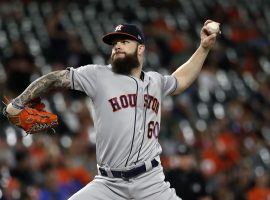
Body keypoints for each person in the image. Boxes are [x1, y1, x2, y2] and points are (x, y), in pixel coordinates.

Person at [5, 20, 219, 199]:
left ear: (141, 48)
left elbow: (180, 79)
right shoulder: (97, 75)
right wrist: (19, 102)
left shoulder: (155, 81)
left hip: (150, 181)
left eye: (125, 42)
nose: (117, 46)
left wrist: (204, 47)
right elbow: (55, 78)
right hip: (108, 183)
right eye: (114, 43)